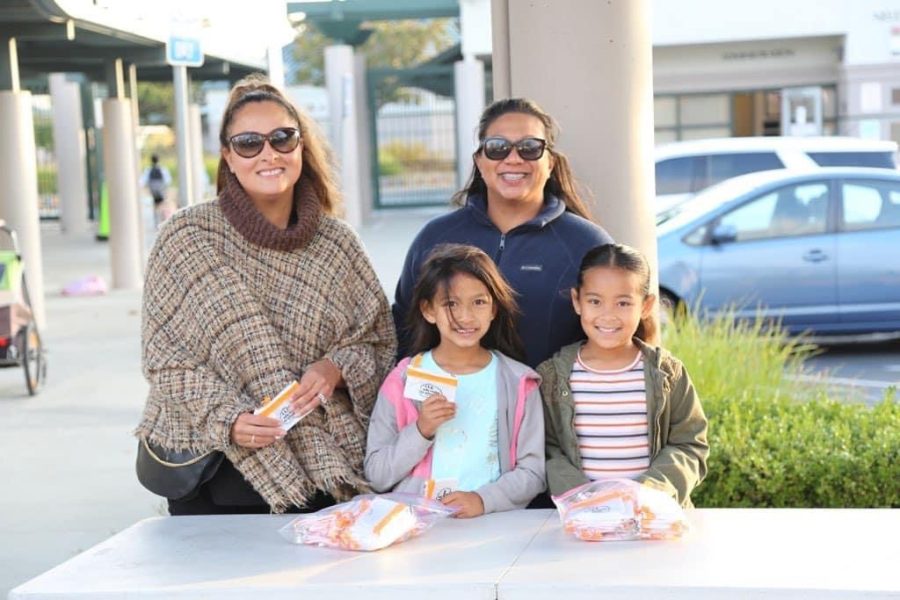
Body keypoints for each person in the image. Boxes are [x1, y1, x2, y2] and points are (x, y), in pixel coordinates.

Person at [135, 74, 396, 515]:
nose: (268, 153)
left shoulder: (338, 244)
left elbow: (379, 341)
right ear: (227, 156)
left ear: (301, 147)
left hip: (322, 467)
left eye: (282, 138)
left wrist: (335, 367)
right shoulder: (186, 237)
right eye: (249, 143)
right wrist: (229, 419)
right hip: (216, 469)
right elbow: (163, 357)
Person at [393, 98, 614, 369]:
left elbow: (619, 338)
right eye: (497, 148)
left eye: (530, 148)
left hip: (550, 409)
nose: (513, 158)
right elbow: (403, 332)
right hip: (449, 409)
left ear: (551, 163)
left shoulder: (587, 245)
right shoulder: (435, 237)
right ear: (479, 161)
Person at [365, 244, 545, 518]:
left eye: (479, 302)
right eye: (450, 303)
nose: (465, 316)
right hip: (416, 528)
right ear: (428, 310)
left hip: (493, 527)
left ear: (494, 309)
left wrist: (483, 500)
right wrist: (421, 429)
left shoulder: (518, 382)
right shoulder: (402, 380)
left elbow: (533, 473)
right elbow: (377, 475)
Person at [538, 243, 709, 507]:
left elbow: (690, 445)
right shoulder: (552, 377)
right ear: (577, 301)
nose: (608, 315)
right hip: (583, 519)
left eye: (623, 303)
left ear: (646, 305)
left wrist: (647, 492)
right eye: (595, 301)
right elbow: (547, 451)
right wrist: (585, 498)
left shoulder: (668, 373)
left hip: (652, 519)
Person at [138, 154, 172, 226]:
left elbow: (143, 181)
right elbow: (168, 180)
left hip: (153, 191)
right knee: (162, 205)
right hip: (161, 190)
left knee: (155, 206)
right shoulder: (162, 169)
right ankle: (163, 221)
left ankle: (157, 222)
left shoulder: (149, 170)